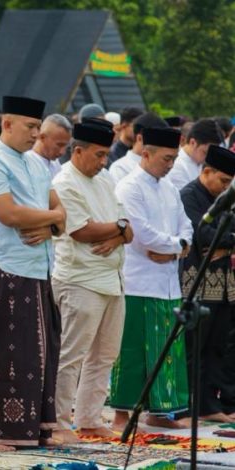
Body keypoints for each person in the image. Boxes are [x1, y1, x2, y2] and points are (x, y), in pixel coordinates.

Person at [0, 95, 66, 450]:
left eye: (38, 127)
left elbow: (62, 214)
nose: (36, 134)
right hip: (6, 266)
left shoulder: (37, 164)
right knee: (9, 353)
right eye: (31, 127)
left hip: (39, 267)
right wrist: (53, 219)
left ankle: (36, 428)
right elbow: (8, 214)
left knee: (41, 351)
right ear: (7, 124)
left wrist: (52, 223)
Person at [49, 120, 131, 443]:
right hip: (79, 279)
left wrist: (118, 231)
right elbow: (81, 230)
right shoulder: (64, 182)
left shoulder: (106, 178)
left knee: (105, 355)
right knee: (71, 355)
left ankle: (89, 418)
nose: (103, 161)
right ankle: (57, 421)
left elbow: (128, 227)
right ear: (78, 151)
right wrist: (119, 229)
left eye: (106, 155)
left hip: (113, 278)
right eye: (98, 155)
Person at [109, 127, 192, 431]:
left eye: (174, 159)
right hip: (138, 282)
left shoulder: (170, 188)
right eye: (166, 158)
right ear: (146, 153)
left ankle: (160, 412)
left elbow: (187, 227)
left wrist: (175, 249)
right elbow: (142, 235)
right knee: (132, 350)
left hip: (168, 283)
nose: (171, 165)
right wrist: (177, 247)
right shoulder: (129, 187)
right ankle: (121, 415)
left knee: (166, 350)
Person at [179, 144, 235, 423]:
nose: (226, 187)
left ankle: (211, 405)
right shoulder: (189, 195)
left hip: (223, 281)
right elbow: (201, 235)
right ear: (207, 171)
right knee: (196, 345)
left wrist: (225, 244)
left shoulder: (223, 199)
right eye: (223, 181)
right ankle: (192, 404)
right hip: (197, 282)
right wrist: (224, 242)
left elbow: (225, 234)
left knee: (218, 344)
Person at [108, 113, 169, 182]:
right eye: (157, 141)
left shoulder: (161, 167)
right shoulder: (120, 168)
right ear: (140, 138)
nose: (162, 146)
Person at [167, 119, 225, 191]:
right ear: (193, 143)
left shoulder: (198, 162)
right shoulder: (177, 167)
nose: (208, 158)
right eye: (205, 152)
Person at [27, 114, 73, 179]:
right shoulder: (27, 164)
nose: (62, 152)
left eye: (66, 146)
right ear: (42, 137)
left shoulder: (55, 163)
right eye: (59, 145)